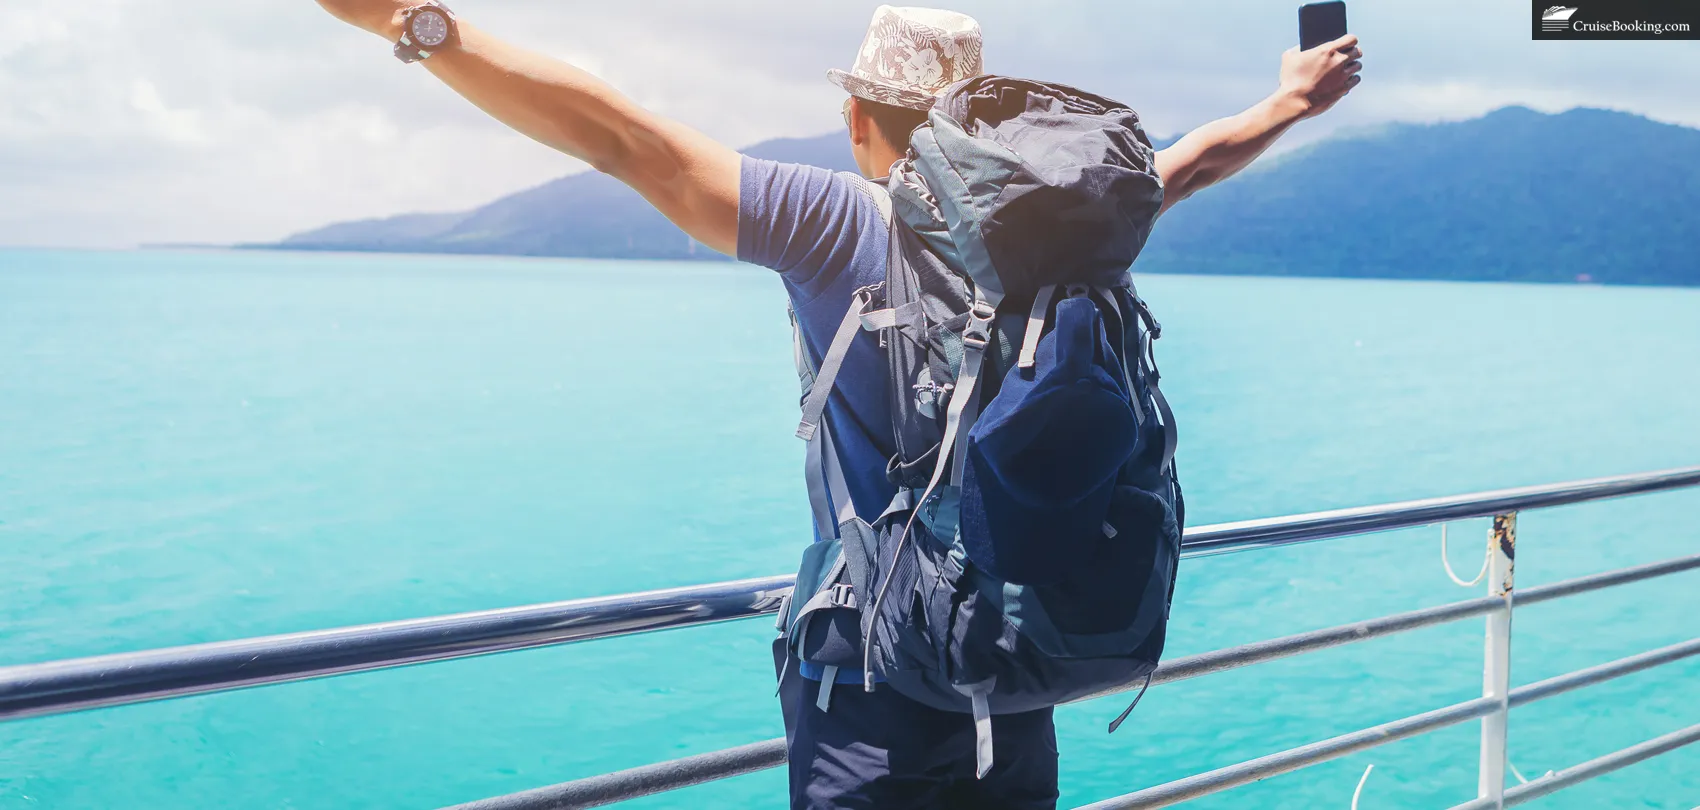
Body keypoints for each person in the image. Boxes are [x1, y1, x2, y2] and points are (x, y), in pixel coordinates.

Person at [310, 2, 1365, 807]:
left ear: (857, 117)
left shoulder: (834, 223)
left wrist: (416, 21)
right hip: (1018, 661)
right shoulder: (1065, 232)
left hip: (875, 689)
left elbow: (622, 137)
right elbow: (1186, 165)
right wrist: (1289, 101)